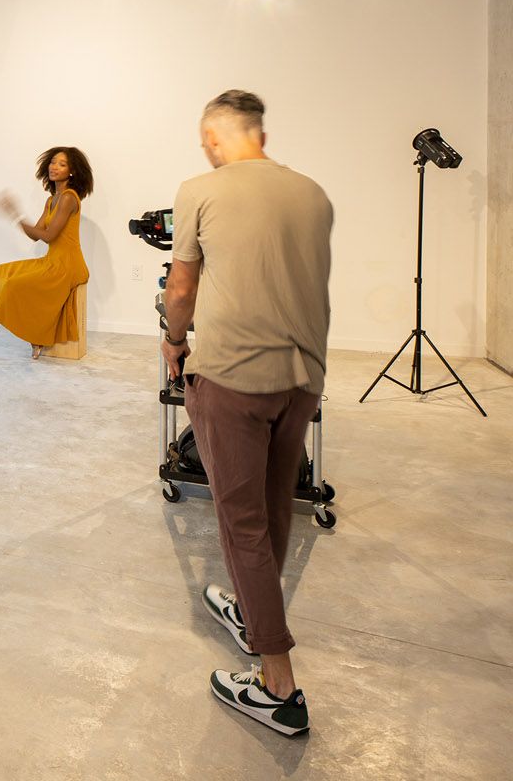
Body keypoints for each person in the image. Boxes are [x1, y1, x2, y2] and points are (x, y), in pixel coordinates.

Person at [161, 90, 332, 737]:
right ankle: (250, 610)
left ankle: (277, 685)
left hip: (234, 375)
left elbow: (181, 288)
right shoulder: (311, 192)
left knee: (240, 523)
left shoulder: (199, 188)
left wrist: (175, 342)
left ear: (213, 136)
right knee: (271, 505)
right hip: (302, 375)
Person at [0, 147, 93, 360]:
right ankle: (34, 335)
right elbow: (36, 235)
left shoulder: (69, 198)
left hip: (67, 266)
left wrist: (16, 213)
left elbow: (49, 235)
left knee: (14, 286)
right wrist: (14, 214)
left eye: (62, 164)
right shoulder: (52, 199)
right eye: (53, 162)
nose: (54, 167)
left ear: (72, 172)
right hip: (51, 261)